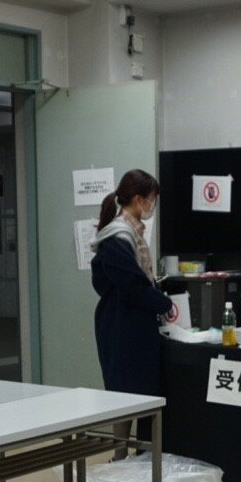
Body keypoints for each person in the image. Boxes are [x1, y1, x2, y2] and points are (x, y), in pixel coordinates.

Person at [91, 169, 178, 460]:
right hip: (122, 324)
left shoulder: (131, 233)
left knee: (140, 392)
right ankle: (120, 456)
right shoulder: (118, 236)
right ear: (139, 199)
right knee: (124, 393)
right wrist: (164, 303)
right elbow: (132, 286)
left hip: (133, 322)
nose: (153, 206)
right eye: (152, 199)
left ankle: (140, 456)